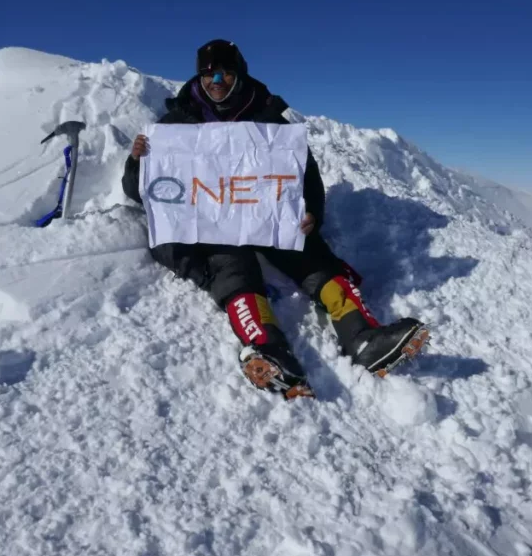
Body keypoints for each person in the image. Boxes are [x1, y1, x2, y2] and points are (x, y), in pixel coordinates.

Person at [121, 39, 428, 399]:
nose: (215, 80)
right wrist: (138, 163)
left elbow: (305, 176)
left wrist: (312, 212)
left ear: (239, 75)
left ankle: (362, 338)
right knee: (232, 267)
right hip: (213, 227)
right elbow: (140, 191)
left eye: (224, 72)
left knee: (312, 256)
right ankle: (267, 348)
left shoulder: (268, 118)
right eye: (208, 74)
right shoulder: (176, 124)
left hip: (264, 217)